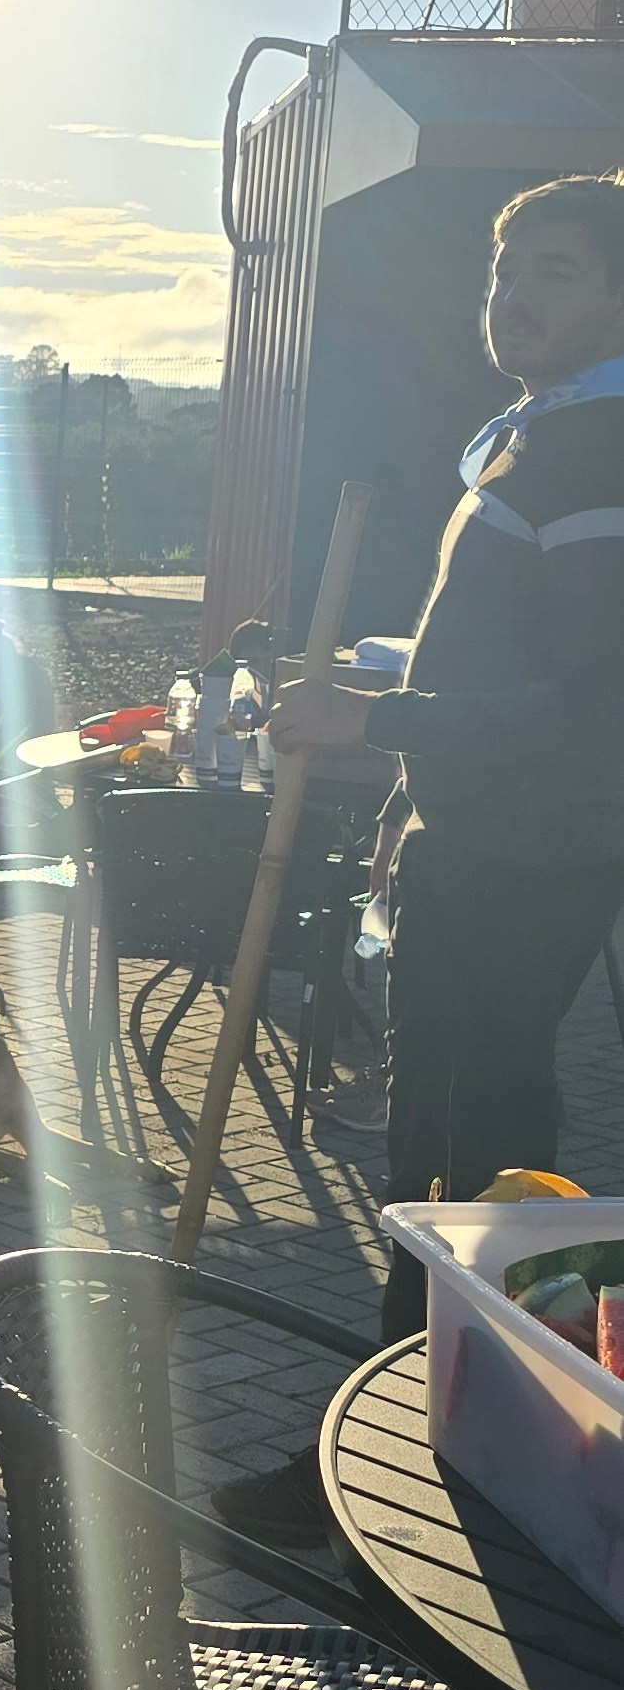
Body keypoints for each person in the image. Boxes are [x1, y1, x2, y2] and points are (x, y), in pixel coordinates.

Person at [218, 172, 624, 1551]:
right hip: (473, 847)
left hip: (527, 865)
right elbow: (504, 667)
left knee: (475, 1164)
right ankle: (436, 1454)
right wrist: (409, 796)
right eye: (507, 267)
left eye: (558, 270)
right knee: (445, 1158)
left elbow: (589, 709)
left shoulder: (597, 454)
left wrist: (377, 720)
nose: (515, 293)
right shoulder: (530, 441)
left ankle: (444, 1474)